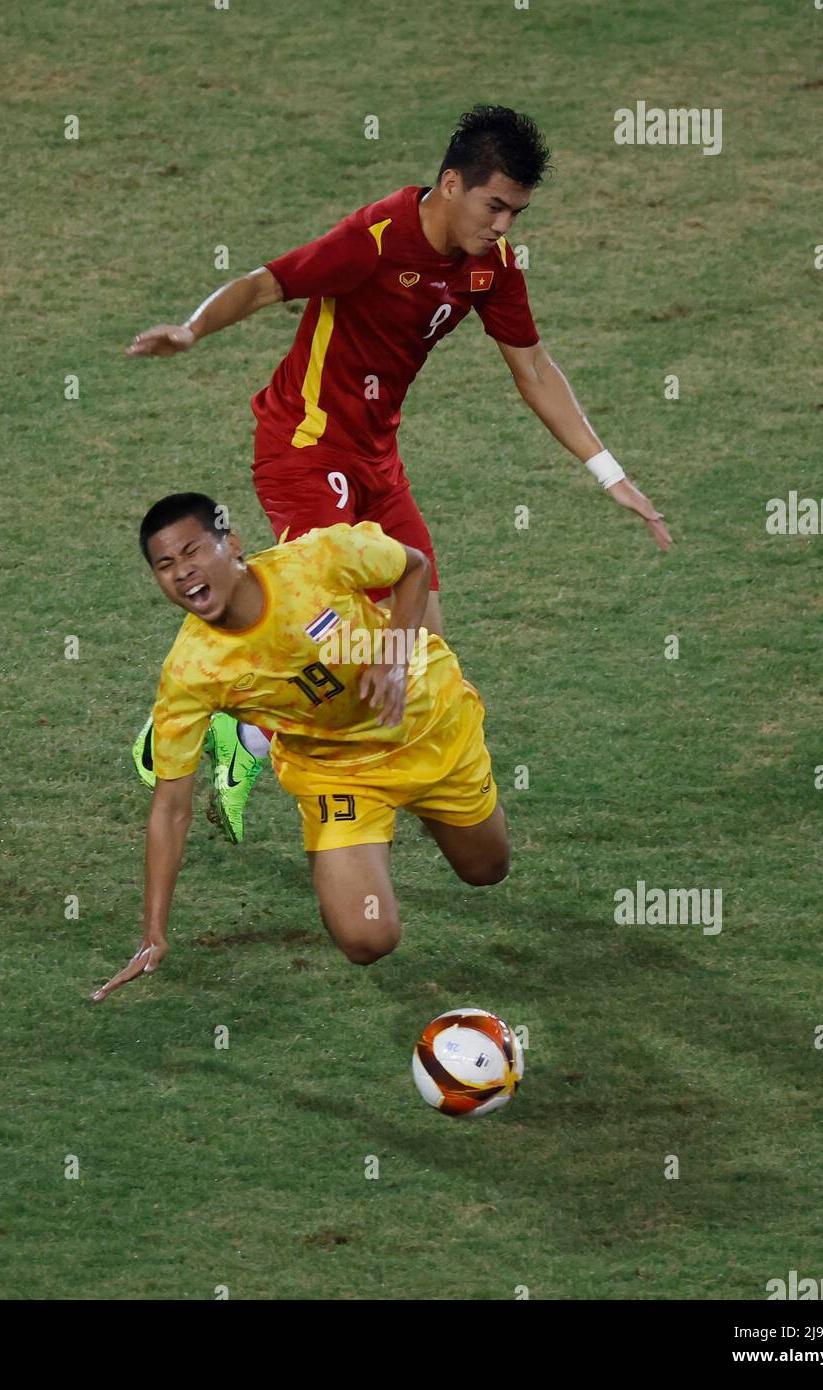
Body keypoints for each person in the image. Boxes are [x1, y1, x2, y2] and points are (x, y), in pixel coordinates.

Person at [126, 104, 671, 841]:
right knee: (344, 637)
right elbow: (265, 284)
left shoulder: (490, 268)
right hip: (307, 448)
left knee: (418, 651)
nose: (504, 224)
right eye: (495, 205)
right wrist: (192, 329)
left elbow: (533, 367)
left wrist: (608, 473)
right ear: (451, 183)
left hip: (377, 460)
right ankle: (240, 736)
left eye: (516, 211)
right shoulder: (374, 239)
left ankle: (296, 750)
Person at [92, 493, 508, 1001]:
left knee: (486, 870)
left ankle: (415, 815)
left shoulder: (317, 559)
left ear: (233, 546)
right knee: (366, 939)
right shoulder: (191, 672)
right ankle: (353, 856)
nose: (182, 572)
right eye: (165, 564)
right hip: (336, 771)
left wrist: (396, 656)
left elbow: (413, 567)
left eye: (193, 551)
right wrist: (153, 931)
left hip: (429, 725)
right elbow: (171, 808)